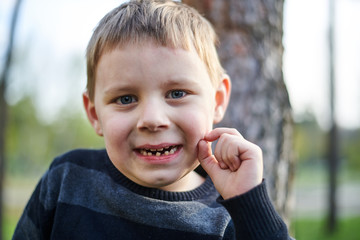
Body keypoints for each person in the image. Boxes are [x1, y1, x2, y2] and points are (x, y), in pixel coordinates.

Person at [13, 0, 293, 239]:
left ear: (217, 100)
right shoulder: (66, 180)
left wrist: (250, 203)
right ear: (95, 113)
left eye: (177, 93)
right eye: (125, 99)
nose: (152, 120)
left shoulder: (232, 218)